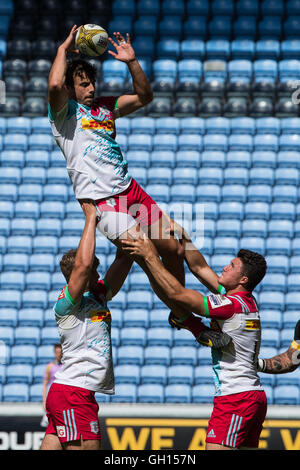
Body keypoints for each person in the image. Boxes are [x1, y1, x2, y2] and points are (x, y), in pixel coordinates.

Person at [47, 25, 229, 349]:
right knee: (145, 252)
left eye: (91, 83)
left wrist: (131, 62)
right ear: (72, 89)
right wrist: (63, 49)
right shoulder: (64, 116)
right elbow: (54, 83)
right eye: (82, 84)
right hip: (101, 202)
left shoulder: (105, 108)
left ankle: (173, 311)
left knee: (173, 248)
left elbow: (145, 96)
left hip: (131, 191)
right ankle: (190, 321)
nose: (89, 88)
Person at [122, 233, 268, 450]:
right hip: (252, 395)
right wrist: (184, 237)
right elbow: (199, 268)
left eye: (232, 265)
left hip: (235, 398)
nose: (225, 267)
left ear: (243, 279)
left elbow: (176, 293)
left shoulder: (230, 306)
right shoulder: (245, 300)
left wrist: (150, 257)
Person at [40, 199, 133, 450]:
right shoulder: (66, 304)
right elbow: (81, 266)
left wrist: (122, 220)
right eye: (94, 271)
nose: (98, 275)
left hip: (75, 392)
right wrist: (91, 218)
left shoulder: (99, 295)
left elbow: (123, 261)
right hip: (74, 392)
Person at [40, 344, 63, 428]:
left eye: (60, 352)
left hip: (63, 398)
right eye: (57, 352)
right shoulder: (50, 366)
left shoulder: (67, 366)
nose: (59, 354)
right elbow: (45, 385)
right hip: (52, 398)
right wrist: (44, 401)